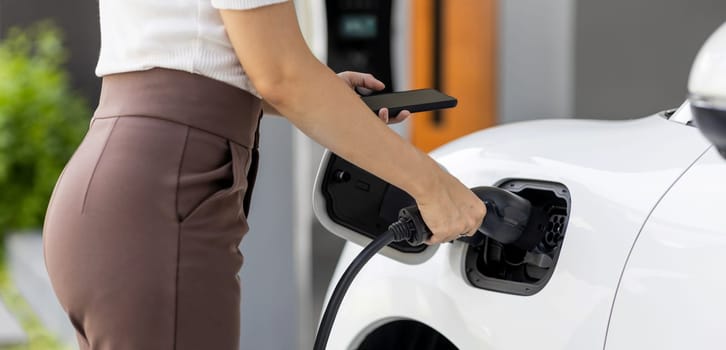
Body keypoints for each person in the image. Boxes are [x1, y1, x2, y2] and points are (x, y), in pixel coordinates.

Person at [42, 1, 487, 349]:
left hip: (114, 184)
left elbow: (207, 59)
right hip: (160, 198)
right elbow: (281, 75)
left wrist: (325, 96)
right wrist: (435, 187)